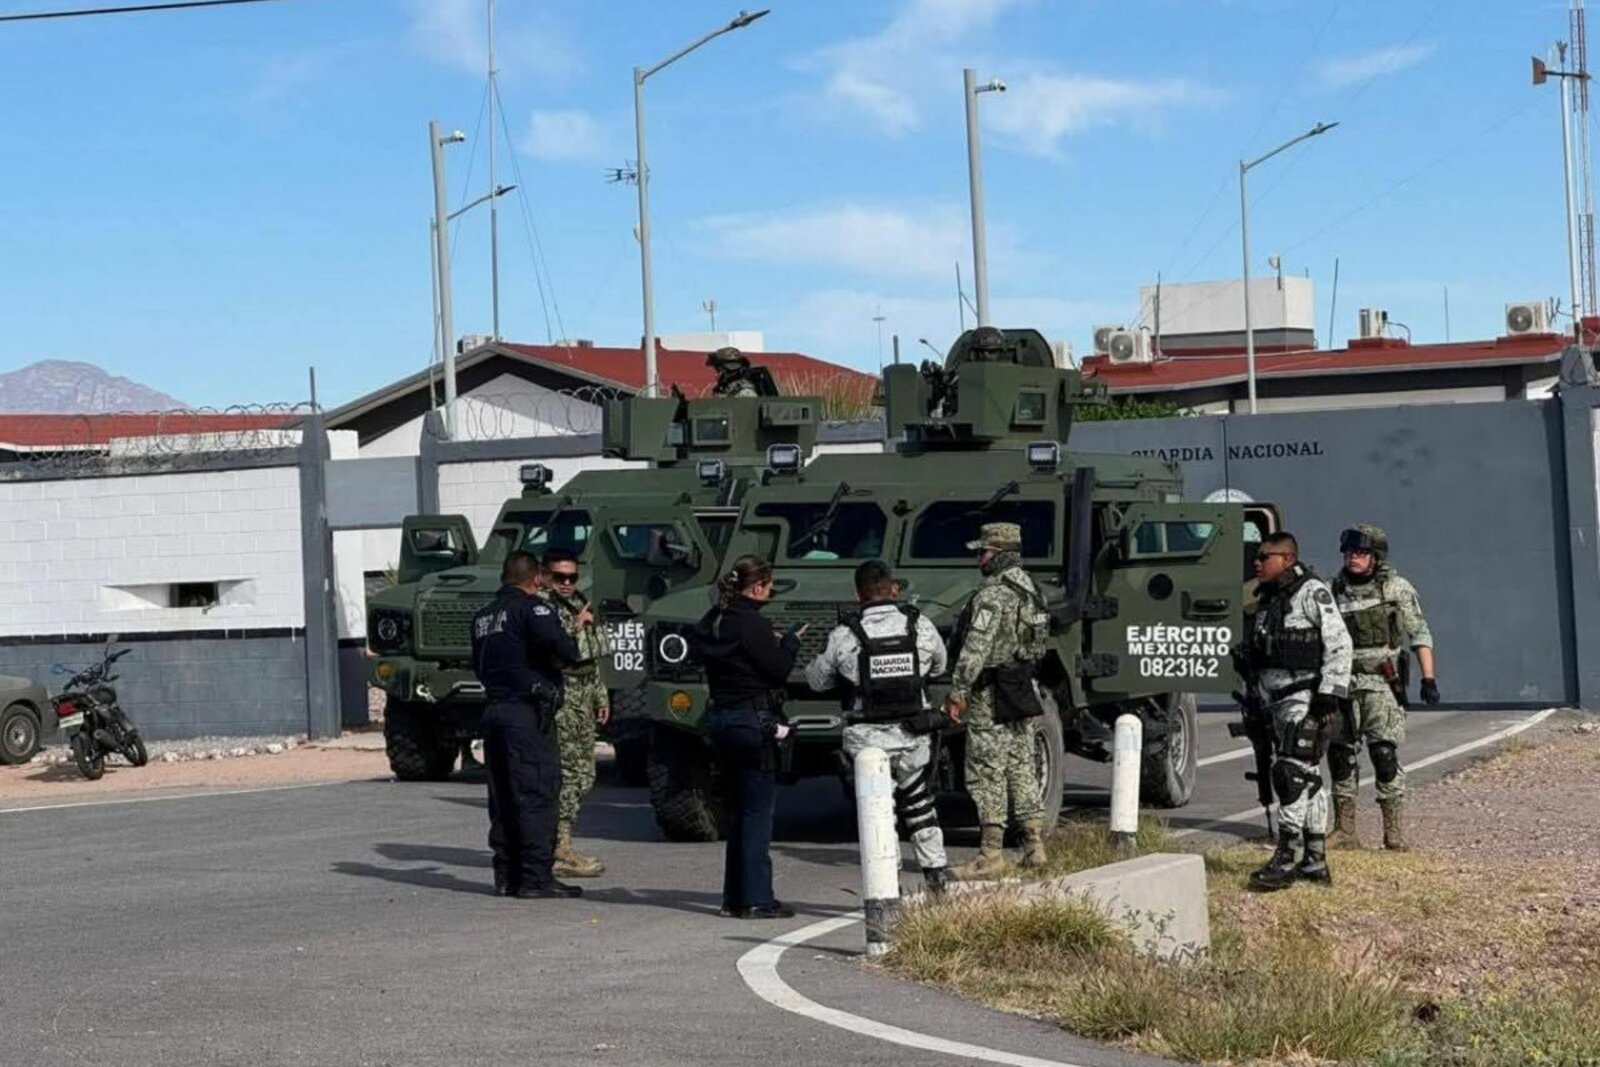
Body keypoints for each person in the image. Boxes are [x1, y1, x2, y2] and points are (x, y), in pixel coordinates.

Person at [804, 559, 951, 894]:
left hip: (866, 742)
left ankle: (889, 887)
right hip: (914, 736)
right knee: (920, 805)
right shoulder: (921, 626)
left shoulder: (845, 635)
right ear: (894, 589)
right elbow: (940, 664)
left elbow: (817, 681)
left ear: (858, 595)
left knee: (880, 814)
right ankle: (937, 879)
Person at [691, 554, 802, 919]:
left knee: (738, 812)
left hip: (721, 718)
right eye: (768, 587)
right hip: (754, 721)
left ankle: (734, 897)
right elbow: (778, 670)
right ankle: (756, 898)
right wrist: (788, 644)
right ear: (757, 587)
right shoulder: (751, 623)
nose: (769, 593)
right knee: (757, 814)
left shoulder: (713, 621)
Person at [470, 550, 585, 899]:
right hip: (526, 713)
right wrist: (573, 633)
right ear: (536, 578)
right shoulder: (532, 608)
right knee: (537, 793)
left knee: (503, 795)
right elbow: (566, 650)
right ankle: (535, 879)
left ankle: (506, 876)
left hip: (494, 710)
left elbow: (479, 664)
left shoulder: (482, 617)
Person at [1244, 532, 1353, 891]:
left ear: (1287, 558)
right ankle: (1315, 860)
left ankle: (1287, 856)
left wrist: (1329, 693)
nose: (1257, 563)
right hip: (1276, 701)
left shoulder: (1312, 592)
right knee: (1308, 776)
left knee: (1291, 773)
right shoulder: (1267, 599)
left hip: (1306, 698)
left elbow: (1339, 643)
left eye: (1265, 556)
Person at [944, 522, 1053, 880]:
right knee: (1021, 766)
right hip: (1020, 687)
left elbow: (976, 646)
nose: (980, 558)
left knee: (986, 772)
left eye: (985, 551)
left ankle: (990, 853)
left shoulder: (994, 594)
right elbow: (1039, 641)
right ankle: (1034, 845)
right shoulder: (1032, 588)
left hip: (991, 692)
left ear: (1001, 553)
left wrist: (959, 689)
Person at [1329, 524, 1438, 851]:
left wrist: (1428, 679)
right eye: (1349, 553)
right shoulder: (1333, 590)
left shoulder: (1396, 589)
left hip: (1382, 681)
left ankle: (1394, 834)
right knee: (1341, 755)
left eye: (1360, 553)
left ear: (1375, 557)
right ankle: (1345, 831)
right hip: (1344, 682)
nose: (1353, 558)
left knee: (1384, 753)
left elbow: (1419, 633)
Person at [543, 547, 612, 878]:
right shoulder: (543, 609)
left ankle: (560, 843)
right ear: (545, 575)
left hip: (584, 693)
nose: (567, 583)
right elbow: (551, 648)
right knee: (570, 774)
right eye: (560, 577)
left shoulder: (577, 601)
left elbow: (591, 656)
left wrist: (600, 696)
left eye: (572, 577)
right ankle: (560, 847)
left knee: (585, 774)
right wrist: (574, 624)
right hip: (565, 696)